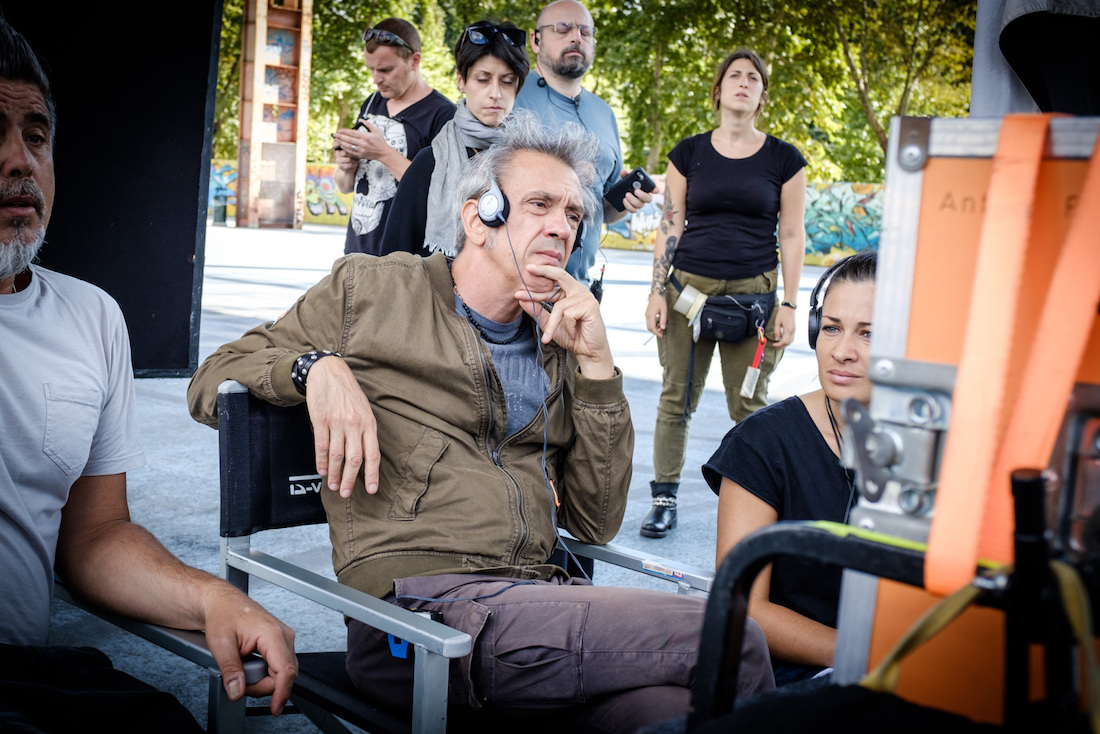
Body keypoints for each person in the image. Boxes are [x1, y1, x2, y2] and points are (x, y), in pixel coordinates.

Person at [187, 115, 774, 733]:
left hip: (540, 607)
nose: (562, 227)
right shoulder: (372, 291)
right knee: (730, 638)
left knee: (672, 714)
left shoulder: (557, 339)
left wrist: (598, 367)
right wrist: (316, 369)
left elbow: (594, 522)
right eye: (540, 205)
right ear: (479, 218)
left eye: (574, 214)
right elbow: (212, 380)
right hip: (418, 622)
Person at [0, 14, 297, 730]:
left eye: (36, 136)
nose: (19, 160)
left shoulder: (91, 317)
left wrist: (212, 598)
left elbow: (94, 536)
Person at [641, 48, 807, 538]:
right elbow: (670, 224)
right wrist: (656, 291)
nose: (743, 82)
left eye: (754, 77)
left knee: (750, 406)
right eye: (734, 75)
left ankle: (755, 503)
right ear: (717, 91)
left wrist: (789, 303)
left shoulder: (785, 159)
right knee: (676, 400)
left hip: (753, 300)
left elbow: (792, 235)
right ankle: (664, 499)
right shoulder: (688, 153)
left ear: (763, 96)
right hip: (686, 295)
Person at [703, 250, 877, 686]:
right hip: (798, 677)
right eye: (831, 328)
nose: (842, 352)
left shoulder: (945, 447)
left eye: (869, 334)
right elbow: (744, 604)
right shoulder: (762, 442)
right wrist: (871, 658)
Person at [514, 0, 651, 284]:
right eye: (563, 28)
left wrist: (626, 203)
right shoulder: (508, 97)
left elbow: (605, 212)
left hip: (580, 287)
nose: (576, 37)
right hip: (519, 284)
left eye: (585, 32)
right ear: (536, 40)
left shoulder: (605, 113)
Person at [380, 20, 529, 257]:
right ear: (461, 80)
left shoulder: (532, 161)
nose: (495, 93)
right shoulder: (430, 162)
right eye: (483, 79)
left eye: (507, 81)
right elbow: (393, 257)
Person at [333, 17, 455, 256]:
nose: (376, 78)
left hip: (403, 259)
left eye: (386, 70)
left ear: (414, 61)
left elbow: (438, 196)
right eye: (371, 69)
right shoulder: (371, 102)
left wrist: (383, 153)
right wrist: (347, 167)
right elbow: (345, 186)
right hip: (356, 253)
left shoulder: (443, 115)